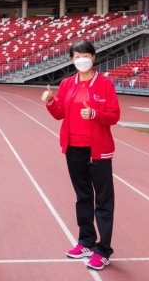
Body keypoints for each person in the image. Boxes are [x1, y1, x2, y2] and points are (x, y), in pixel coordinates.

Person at [42, 39, 120, 271]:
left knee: (103, 200)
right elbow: (59, 114)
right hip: (73, 148)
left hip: (98, 151)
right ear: (72, 60)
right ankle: (86, 241)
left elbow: (114, 115)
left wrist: (95, 113)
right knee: (82, 196)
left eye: (85, 55)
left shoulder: (104, 84)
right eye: (76, 56)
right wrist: (50, 102)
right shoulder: (67, 84)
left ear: (93, 58)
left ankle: (103, 250)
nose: (81, 60)